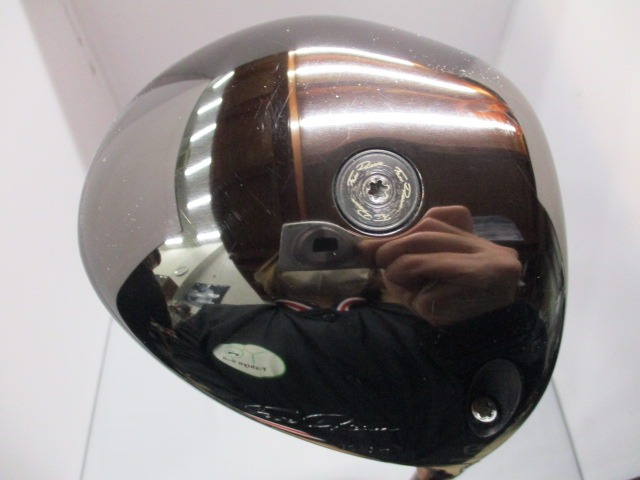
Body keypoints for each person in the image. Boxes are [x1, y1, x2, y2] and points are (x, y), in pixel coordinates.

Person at [167, 205, 544, 468]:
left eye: (341, 243)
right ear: (275, 265)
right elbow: (193, 418)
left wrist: (493, 321)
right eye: (307, 246)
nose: (324, 254)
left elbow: (474, 419)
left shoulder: (427, 322)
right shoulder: (215, 323)